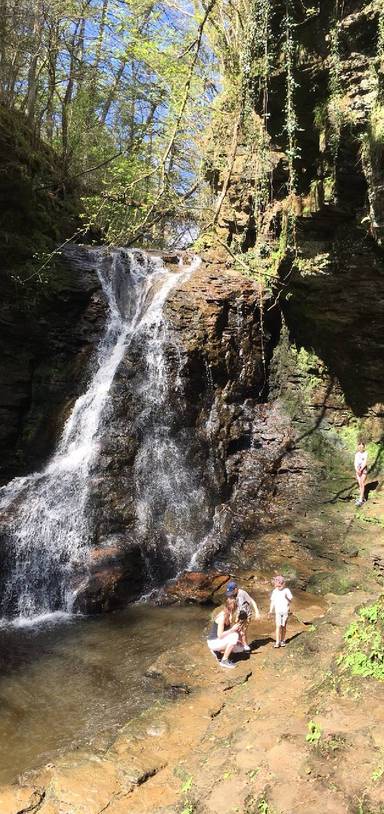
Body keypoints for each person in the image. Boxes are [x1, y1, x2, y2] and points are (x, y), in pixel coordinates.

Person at [207, 597, 244, 669]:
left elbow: (227, 631)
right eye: (231, 608)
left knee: (240, 648)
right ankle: (224, 661)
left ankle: (217, 651)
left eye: (235, 608)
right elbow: (220, 635)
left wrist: (238, 636)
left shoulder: (229, 615)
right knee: (234, 636)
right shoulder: (222, 617)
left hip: (218, 641)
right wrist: (232, 630)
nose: (233, 610)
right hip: (213, 642)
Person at [225, 580, 261, 651]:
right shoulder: (233, 594)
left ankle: (245, 647)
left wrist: (257, 612)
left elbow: (252, 601)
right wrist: (231, 615)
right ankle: (241, 644)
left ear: (236, 589)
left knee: (242, 631)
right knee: (238, 629)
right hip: (240, 614)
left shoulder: (243, 593)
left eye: (232, 591)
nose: (231, 594)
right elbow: (233, 605)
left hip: (246, 614)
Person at [269, 575, 292, 648]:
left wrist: (286, 597)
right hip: (278, 611)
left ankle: (282, 640)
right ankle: (277, 641)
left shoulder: (286, 590)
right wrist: (270, 610)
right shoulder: (275, 591)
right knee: (278, 626)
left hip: (285, 611)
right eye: (276, 586)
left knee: (283, 626)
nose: (278, 587)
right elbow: (272, 602)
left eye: (279, 586)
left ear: (283, 584)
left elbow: (291, 600)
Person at [354, 440, 368, 507]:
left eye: (362, 447)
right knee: (360, 485)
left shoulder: (366, 453)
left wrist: (361, 469)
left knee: (362, 483)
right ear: (358, 447)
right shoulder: (357, 454)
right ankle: (362, 497)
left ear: (364, 447)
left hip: (363, 469)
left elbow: (365, 462)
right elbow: (355, 463)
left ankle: (360, 500)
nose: (361, 448)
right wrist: (357, 470)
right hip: (358, 470)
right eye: (360, 447)